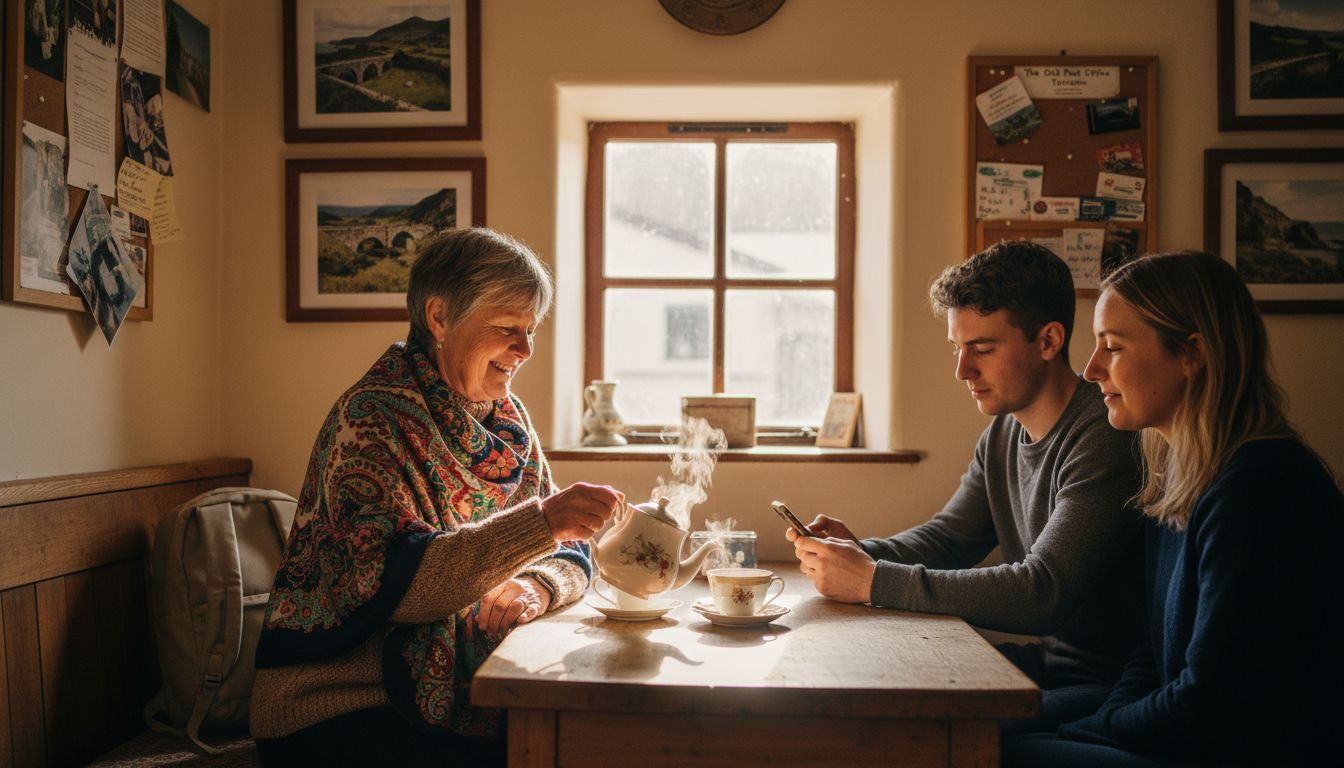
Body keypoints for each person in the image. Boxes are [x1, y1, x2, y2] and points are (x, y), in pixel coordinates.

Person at [251, 228, 624, 766]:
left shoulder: (507, 421)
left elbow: (569, 548)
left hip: (462, 684)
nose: (525, 350)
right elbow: (401, 587)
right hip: (341, 702)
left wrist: (536, 584)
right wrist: (542, 522)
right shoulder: (371, 419)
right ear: (440, 318)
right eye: (506, 329)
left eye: (530, 329)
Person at [1004, 251, 1344, 767]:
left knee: (987, 751)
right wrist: (1102, 725)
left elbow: (1211, 701)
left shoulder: (1261, 491)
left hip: (1238, 754)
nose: (1091, 369)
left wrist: (1100, 727)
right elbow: (1151, 650)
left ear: (1192, 355)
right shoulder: (1178, 479)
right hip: (1177, 735)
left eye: (1112, 348)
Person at [789, 240, 1144, 727]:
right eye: (958, 349)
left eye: (981, 349)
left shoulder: (1105, 436)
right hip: (1051, 669)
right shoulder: (1004, 431)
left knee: (894, 725)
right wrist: (860, 553)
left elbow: (1042, 593)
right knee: (865, 680)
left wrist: (871, 579)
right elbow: (950, 538)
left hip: (1106, 690)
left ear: (1048, 341)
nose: (962, 371)